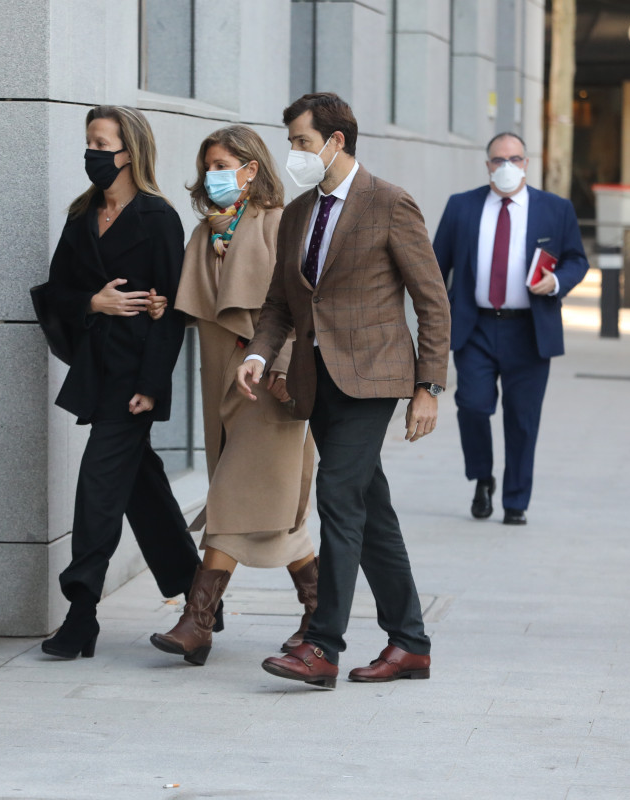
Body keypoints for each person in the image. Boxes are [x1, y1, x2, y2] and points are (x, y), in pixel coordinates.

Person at [234, 93, 451, 689]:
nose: (294, 154)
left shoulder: (390, 203)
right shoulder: (300, 212)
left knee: (336, 495)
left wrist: (428, 386)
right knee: (369, 509)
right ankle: (410, 644)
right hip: (315, 379)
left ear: (336, 140)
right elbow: (282, 302)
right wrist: (258, 353)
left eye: (302, 142)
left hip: (374, 377)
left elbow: (431, 300)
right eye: (293, 143)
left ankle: (322, 645)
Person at [145, 125, 319, 667]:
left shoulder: (278, 224)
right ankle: (318, 609)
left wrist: (287, 368)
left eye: (224, 165)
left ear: (251, 167)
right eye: (209, 167)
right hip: (224, 386)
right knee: (267, 516)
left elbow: (297, 307)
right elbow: (191, 304)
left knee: (232, 499)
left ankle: (196, 622)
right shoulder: (206, 233)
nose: (214, 176)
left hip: (271, 384)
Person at [36, 105, 202, 659]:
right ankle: (203, 598)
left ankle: (81, 613)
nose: (92, 154)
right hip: (96, 371)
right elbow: (56, 290)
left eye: (101, 143)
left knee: (97, 488)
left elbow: (173, 308)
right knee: (140, 488)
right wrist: (93, 301)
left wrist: (154, 384)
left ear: (128, 152)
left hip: (135, 376)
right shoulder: (81, 214)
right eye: (88, 142)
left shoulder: (159, 218)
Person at [432, 132, 589, 525]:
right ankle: (482, 478)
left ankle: (516, 501)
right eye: (498, 160)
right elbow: (436, 266)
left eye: (514, 159)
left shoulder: (555, 209)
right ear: (487, 165)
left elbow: (576, 259)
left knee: (522, 419)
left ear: (526, 163)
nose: (506, 167)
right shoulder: (461, 207)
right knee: (471, 406)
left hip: (530, 330)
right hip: (476, 328)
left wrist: (555, 283)